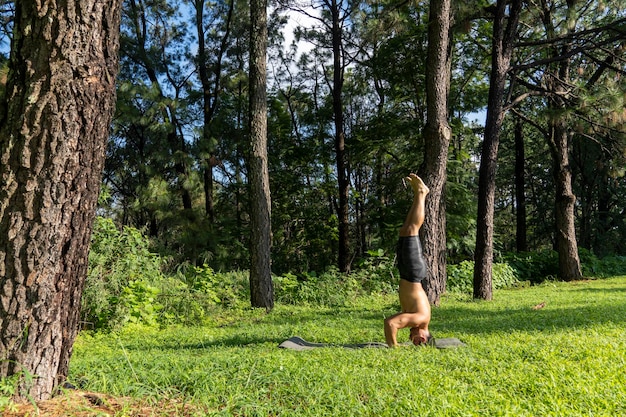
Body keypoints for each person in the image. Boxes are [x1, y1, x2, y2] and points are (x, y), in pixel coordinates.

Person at [384, 173, 433, 347]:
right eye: (415, 339)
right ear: (423, 337)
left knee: (406, 230)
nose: (411, 336)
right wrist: (394, 348)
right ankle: (422, 193)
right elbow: (390, 323)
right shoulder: (420, 318)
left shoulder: (420, 319)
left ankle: (418, 194)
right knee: (412, 229)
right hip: (413, 273)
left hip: (409, 273)